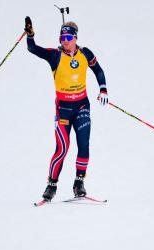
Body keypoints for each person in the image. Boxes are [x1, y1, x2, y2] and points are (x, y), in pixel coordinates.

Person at [24, 16, 108, 201]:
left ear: (75, 38)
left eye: (68, 38)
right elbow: (33, 49)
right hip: (63, 109)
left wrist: (103, 89)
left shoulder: (85, 53)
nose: (65, 41)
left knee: (84, 145)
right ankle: (51, 185)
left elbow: (98, 70)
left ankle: (79, 183)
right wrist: (30, 35)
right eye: (62, 38)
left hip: (82, 105)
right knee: (62, 148)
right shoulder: (55, 55)